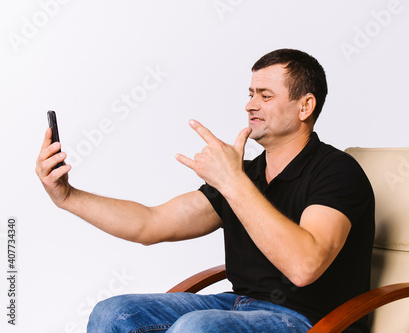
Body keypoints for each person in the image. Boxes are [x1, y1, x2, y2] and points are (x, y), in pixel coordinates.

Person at [36, 48, 375, 332]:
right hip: (235, 306)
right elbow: (151, 223)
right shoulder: (246, 174)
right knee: (112, 313)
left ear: (305, 106)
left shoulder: (337, 171)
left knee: (197, 328)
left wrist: (233, 183)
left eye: (265, 95)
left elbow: (305, 266)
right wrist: (68, 196)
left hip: (310, 321)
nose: (250, 105)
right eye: (250, 93)